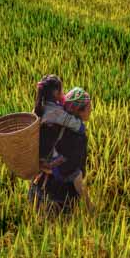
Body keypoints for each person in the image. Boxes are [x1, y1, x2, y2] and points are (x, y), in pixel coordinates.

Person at [28, 87, 94, 215]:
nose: (91, 109)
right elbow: (73, 172)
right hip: (56, 201)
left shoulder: (51, 125)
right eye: (89, 106)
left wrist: (44, 166)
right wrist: (89, 205)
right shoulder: (77, 137)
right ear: (78, 111)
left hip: (35, 192)